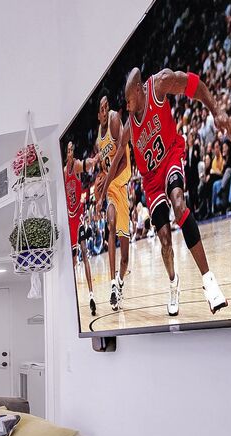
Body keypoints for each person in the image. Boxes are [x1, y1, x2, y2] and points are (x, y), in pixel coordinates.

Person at [101, 67, 230, 315]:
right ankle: (174, 283)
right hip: (150, 181)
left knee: (179, 204)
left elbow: (195, 84)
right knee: (164, 240)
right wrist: (103, 190)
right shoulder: (129, 126)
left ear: (139, 90)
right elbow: (117, 158)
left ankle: (209, 281)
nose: (127, 107)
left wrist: (217, 111)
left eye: (128, 101)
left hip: (170, 157)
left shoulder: (159, 85)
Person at [95, 94, 133, 310]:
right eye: (102, 107)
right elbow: (103, 166)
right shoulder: (98, 141)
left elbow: (123, 159)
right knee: (110, 223)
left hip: (122, 184)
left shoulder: (115, 121)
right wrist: (100, 181)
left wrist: (107, 177)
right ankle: (111, 285)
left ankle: (120, 283)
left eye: (107, 105)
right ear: (97, 113)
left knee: (125, 257)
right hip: (111, 188)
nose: (106, 109)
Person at [64, 141, 97, 316]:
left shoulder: (76, 165)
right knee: (72, 260)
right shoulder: (63, 171)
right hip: (69, 219)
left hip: (79, 215)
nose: (70, 152)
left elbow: (87, 164)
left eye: (72, 149)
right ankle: (73, 298)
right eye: (68, 150)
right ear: (65, 153)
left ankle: (91, 296)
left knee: (84, 254)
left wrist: (96, 158)